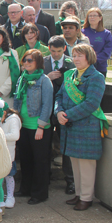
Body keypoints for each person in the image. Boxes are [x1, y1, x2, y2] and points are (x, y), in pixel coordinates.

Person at [55, 44, 108, 211]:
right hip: (70, 127)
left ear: (89, 57)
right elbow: (59, 95)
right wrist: (59, 112)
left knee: (86, 165)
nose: (76, 59)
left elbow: (91, 104)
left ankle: (86, 197)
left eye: (80, 56)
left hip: (86, 126)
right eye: (74, 56)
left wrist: (67, 115)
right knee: (75, 163)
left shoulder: (96, 77)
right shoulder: (70, 74)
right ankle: (78, 194)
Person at [13, 49, 53, 205]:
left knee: (40, 161)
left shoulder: (44, 81)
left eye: (30, 60)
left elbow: (47, 105)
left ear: (38, 62)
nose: (27, 63)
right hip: (24, 126)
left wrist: (41, 126)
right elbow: (17, 100)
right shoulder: (22, 79)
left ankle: (40, 193)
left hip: (38, 127)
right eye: (25, 60)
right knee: (26, 159)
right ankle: (26, 188)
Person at [43, 36, 76, 195]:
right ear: (49, 48)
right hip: (47, 109)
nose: (56, 54)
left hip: (65, 110)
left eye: (59, 51)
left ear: (64, 49)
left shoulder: (72, 62)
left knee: (66, 146)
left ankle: (70, 180)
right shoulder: (43, 62)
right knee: (45, 144)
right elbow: (34, 81)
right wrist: (47, 78)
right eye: (53, 51)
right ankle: (45, 176)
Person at [82, 8, 112, 78]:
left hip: (100, 67)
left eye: (94, 16)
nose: (92, 17)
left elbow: (107, 51)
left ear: (100, 18)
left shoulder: (106, 34)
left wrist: (94, 60)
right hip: (84, 67)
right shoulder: (82, 32)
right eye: (90, 16)